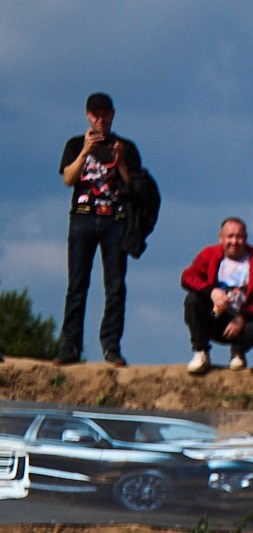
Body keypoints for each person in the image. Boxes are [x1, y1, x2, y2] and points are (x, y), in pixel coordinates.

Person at [57, 92, 141, 368]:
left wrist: (121, 163)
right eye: (95, 114)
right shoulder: (74, 144)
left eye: (104, 114)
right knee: (77, 285)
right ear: (87, 115)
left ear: (112, 115)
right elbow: (68, 179)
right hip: (82, 218)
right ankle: (70, 347)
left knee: (115, 286)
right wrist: (85, 151)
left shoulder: (125, 146)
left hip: (114, 220)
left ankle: (111, 347)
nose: (100, 119)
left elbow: (134, 189)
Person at [180, 218, 253, 374]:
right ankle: (201, 352)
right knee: (192, 301)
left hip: (240, 318)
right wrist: (211, 291)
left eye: (239, 237)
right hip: (215, 313)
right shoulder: (209, 254)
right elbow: (187, 277)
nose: (234, 241)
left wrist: (242, 317)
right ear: (221, 238)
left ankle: (238, 352)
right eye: (230, 236)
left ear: (245, 238)